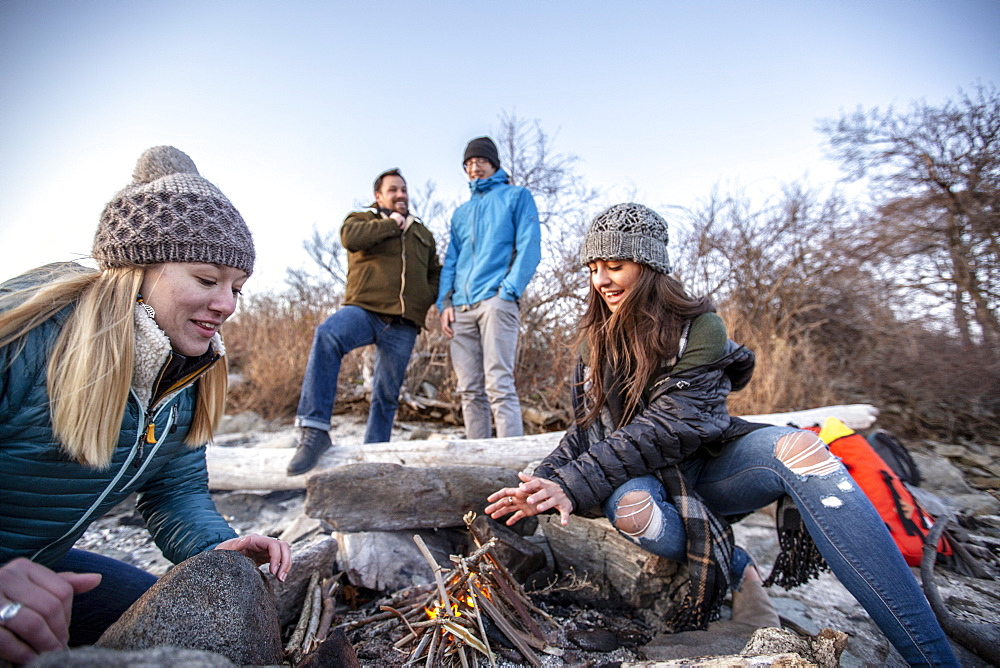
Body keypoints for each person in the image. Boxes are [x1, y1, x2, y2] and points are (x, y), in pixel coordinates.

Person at [486, 203, 959, 667]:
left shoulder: (700, 328)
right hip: (639, 476)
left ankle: (932, 655)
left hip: (706, 464)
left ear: (650, 267)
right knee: (634, 510)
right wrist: (544, 479)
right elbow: (586, 428)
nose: (600, 280)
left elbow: (671, 426)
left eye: (615, 265)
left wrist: (571, 483)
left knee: (804, 449)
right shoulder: (595, 338)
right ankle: (737, 566)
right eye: (593, 268)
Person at [0, 146, 292, 665]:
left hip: (44, 567)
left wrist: (216, 549)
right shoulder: (26, 339)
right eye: (207, 280)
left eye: (237, 288)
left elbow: (174, 491)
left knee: (183, 626)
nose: (226, 304)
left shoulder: (189, 371)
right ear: (136, 271)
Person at [288, 169, 441, 475]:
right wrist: (389, 224)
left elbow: (434, 272)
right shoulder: (361, 220)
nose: (401, 195)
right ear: (379, 195)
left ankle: (373, 458)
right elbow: (349, 239)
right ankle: (315, 430)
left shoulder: (423, 234)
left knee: (386, 395)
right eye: (393, 190)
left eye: (404, 190)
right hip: (365, 309)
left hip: (403, 324)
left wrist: (424, 299)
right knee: (328, 335)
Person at [437, 136, 541, 440]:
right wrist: (445, 304)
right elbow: (451, 261)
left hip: (496, 302)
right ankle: (478, 463)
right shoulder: (460, 213)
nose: (474, 168)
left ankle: (510, 465)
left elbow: (529, 246)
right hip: (461, 309)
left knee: (499, 383)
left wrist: (508, 291)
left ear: (493, 163)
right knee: (469, 390)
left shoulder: (516, 196)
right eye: (468, 164)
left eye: (480, 161)